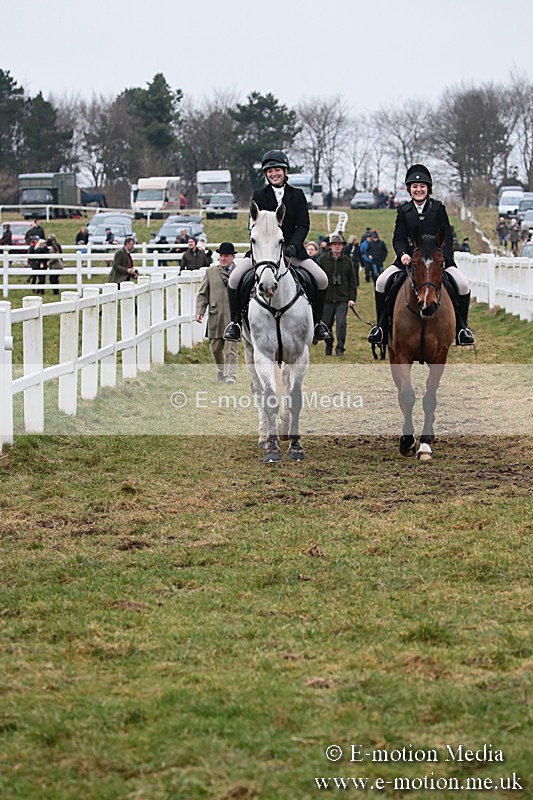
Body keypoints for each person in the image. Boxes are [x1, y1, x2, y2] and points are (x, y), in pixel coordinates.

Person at [224, 149, 330, 344]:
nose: (274, 174)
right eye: (270, 171)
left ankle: (317, 324)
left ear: (285, 171)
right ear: (266, 174)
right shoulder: (259, 195)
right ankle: (236, 324)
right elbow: (253, 227)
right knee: (235, 278)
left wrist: (293, 245)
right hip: (264, 253)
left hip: (292, 252)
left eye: (277, 170)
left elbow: (303, 225)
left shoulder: (297, 195)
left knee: (321, 279)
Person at [368, 163, 475, 347]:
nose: (419, 189)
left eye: (422, 186)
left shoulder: (438, 208)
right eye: (415, 187)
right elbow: (398, 238)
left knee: (463, 285)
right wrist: (402, 254)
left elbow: (447, 236)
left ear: (428, 189)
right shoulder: (403, 211)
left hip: (437, 260)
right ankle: (381, 328)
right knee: (381, 282)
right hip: (409, 260)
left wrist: (441, 256)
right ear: (410, 189)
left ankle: (462, 329)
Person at [195, 242, 239, 384]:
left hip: (233, 317)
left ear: (232, 257)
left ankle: (230, 375)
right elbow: (203, 294)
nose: (223, 259)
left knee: (230, 348)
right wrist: (199, 311)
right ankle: (221, 369)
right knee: (215, 348)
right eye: (221, 256)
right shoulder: (211, 272)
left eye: (226, 256)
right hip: (216, 315)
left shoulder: (239, 273)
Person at [318, 234, 357, 356]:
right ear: (330, 246)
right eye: (335, 244)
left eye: (339, 245)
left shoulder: (347, 261)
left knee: (341, 324)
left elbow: (352, 281)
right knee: (326, 324)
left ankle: (340, 348)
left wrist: (352, 298)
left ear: (342, 246)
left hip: (342, 299)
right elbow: (318, 280)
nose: (337, 247)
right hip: (327, 299)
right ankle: (329, 345)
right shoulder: (322, 260)